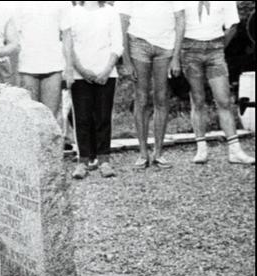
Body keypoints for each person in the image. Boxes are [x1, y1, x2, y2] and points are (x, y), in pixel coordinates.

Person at [181, 0, 254, 165]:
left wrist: (219, 47)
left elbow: (233, 25)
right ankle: (201, 148)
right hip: (189, 50)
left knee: (224, 100)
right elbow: (176, 24)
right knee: (197, 99)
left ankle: (235, 151)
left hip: (215, 51)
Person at [119, 1, 186, 170]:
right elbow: (123, 23)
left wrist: (176, 57)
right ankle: (143, 153)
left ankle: (158, 153)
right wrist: (126, 59)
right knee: (141, 98)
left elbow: (180, 20)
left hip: (165, 47)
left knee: (161, 98)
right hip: (138, 44)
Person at [68, 1, 124, 180]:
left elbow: (117, 44)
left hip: (106, 73)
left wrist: (107, 70)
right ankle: (83, 161)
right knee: (82, 118)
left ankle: (104, 160)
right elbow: (69, 45)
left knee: (103, 117)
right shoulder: (73, 12)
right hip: (80, 74)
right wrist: (82, 70)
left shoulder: (110, 12)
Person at [13, 1, 73, 121]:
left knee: (50, 119)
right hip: (26, 68)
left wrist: (69, 67)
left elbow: (67, 36)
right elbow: (14, 38)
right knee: (29, 120)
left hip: (54, 67)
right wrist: (15, 72)